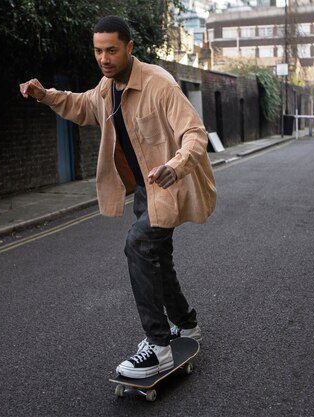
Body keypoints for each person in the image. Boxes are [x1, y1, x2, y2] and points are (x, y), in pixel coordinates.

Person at [20, 16, 216, 378]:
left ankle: (158, 346)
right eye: (98, 51)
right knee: (158, 257)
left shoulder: (160, 84)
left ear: (129, 47)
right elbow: (82, 106)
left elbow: (194, 132)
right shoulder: (107, 86)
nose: (104, 58)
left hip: (170, 185)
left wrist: (176, 164)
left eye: (112, 50)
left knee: (139, 246)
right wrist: (45, 95)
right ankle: (185, 324)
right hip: (144, 190)